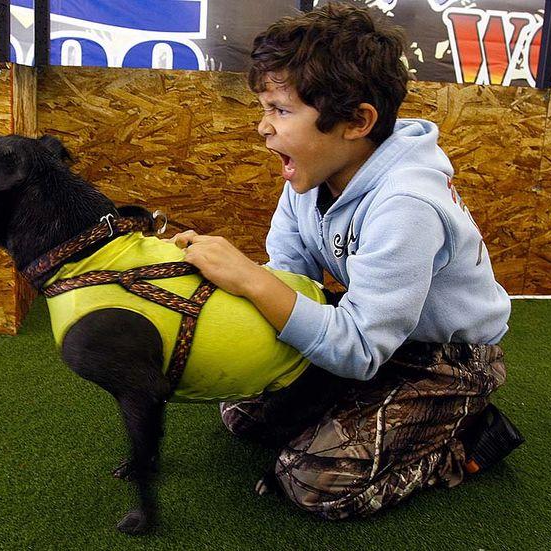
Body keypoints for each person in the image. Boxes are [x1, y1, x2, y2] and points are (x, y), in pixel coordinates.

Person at [168, 2, 523, 519]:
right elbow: (290, 276)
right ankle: (363, 412)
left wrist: (246, 277)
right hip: (374, 331)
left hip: (448, 360)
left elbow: (356, 348)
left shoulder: (407, 204)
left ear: (357, 121)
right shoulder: (308, 175)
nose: (263, 129)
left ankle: (463, 440)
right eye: (264, 108)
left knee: (313, 482)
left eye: (281, 110)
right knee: (241, 413)